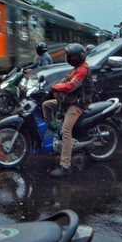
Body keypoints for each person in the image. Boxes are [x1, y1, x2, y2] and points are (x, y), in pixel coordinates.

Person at [42, 43, 93, 178]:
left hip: (78, 104)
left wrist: (56, 88)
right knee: (46, 105)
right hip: (69, 100)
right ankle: (53, 127)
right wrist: (49, 86)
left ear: (78, 57)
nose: (69, 58)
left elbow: (70, 86)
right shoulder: (76, 68)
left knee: (66, 130)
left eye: (72, 56)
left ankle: (65, 165)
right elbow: (64, 79)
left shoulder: (82, 70)